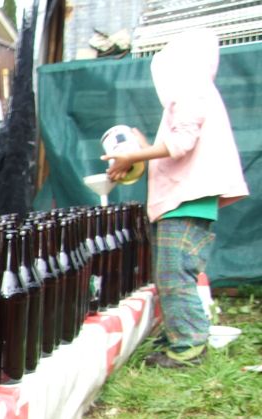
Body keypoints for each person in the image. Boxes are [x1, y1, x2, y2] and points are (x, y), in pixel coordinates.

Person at [103, 29, 248, 368]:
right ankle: (179, 334)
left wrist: (131, 157)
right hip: (186, 198)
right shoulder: (195, 93)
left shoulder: (191, 87)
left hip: (188, 198)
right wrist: (140, 145)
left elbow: (182, 143)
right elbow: (176, 140)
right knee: (171, 271)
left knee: (175, 272)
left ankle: (188, 349)